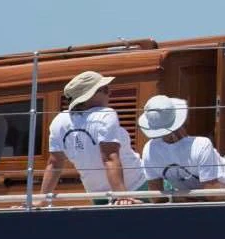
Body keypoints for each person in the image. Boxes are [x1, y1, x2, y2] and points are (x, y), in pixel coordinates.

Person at [37, 70, 145, 205]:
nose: (109, 92)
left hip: (97, 194)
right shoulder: (105, 114)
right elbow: (110, 157)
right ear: (89, 96)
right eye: (104, 89)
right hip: (135, 188)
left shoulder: (59, 121)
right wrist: (122, 195)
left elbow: (54, 164)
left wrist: (41, 200)